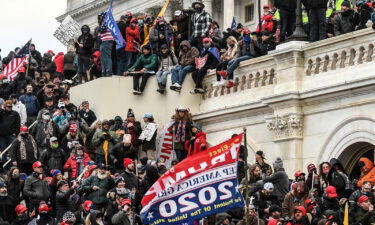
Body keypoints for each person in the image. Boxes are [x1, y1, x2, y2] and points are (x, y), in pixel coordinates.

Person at [98, 12, 114, 77]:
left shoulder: (107, 21)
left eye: (100, 17)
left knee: (107, 57)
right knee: (103, 58)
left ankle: (108, 71)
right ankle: (104, 71)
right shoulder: (103, 23)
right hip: (103, 41)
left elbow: (102, 29)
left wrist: (99, 29)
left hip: (107, 41)